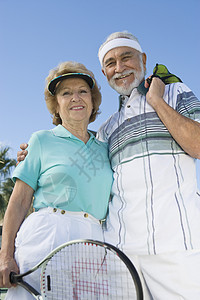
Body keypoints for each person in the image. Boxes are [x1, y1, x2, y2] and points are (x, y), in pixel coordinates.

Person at [16, 31, 200, 299]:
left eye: (127, 58)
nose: (120, 68)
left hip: (178, 248)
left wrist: (157, 101)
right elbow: (66, 170)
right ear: (104, 72)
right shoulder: (107, 129)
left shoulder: (174, 93)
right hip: (119, 255)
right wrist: (32, 154)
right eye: (111, 63)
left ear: (143, 59)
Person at [0, 61, 113, 299]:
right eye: (66, 93)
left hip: (94, 242)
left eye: (83, 91)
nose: (76, 98)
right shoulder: (41, 140)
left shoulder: (107, 147)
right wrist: (6, 256)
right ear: (56, 106)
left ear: (92, 102)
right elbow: (19, 202)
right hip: (46, 235)